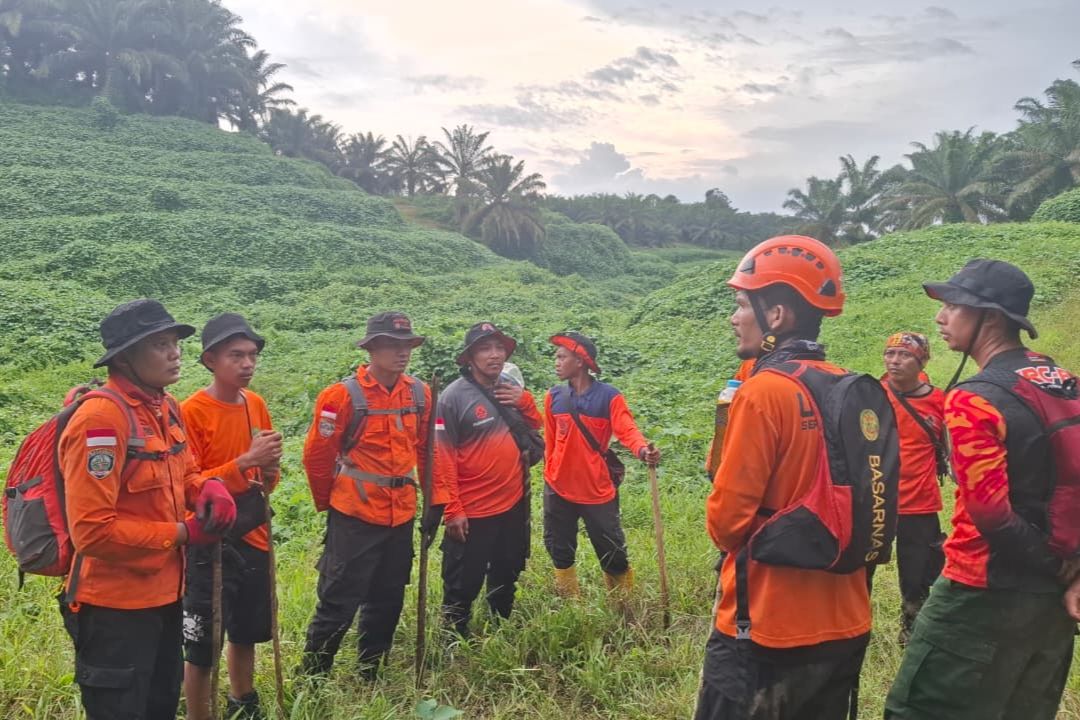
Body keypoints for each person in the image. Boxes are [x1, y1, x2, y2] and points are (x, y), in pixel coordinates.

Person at [886, 259, 1080, 720]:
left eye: (953, 306)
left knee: (916, 709)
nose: (940, 317)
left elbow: (989, 513)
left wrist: (1059, 568)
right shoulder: (1065, 383)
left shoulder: (975, 398)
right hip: (1053, 604)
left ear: (989, 317)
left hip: (980, 591)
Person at [695, 236, 870, 720]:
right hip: (847, 621)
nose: (734, 317)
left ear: (776, 316)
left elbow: (727, 526)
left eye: (740, 304)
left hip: (766, 628)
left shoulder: (763, 392)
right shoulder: (848, 383)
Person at [57, 299, 237, 720]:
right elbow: (92, 531)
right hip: (114, 609)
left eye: (174, 342)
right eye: (160, 344)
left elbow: (184, 473)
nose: (175, 353)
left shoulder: (165, 407)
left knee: (159, 706)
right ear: (125, 357)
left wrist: (208, 487)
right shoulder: (101, 421)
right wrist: (185, 534)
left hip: (165, 594)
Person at [299, 311, 433, 680]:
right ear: (372, 348)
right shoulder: (340, 396)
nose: (401, 352)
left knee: (388, 596)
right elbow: (317, 456)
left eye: (406, 345)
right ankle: (313, 676)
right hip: (354, 516)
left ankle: (370, 671)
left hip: (401, 514)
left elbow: (425, 451)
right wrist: (330, 505)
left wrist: (434, 501)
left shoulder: (420, 393)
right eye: (392, 344)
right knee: (338, 600)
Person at [180, 313, 282, 720]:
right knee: (203, 640)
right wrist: (244, 463)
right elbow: (189, 486)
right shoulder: (192, 412)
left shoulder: (255, 404)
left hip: (254, 533)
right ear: (210, 360)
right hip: (211, 541)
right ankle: (199, 713)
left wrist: (268, 469)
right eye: (236, 355)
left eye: (252, 355)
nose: (247, 364)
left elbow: (267, 475)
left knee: (248, 630)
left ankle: (244, 702)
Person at [431, 322, 542, 636]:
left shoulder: (509, 389)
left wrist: (523, 400)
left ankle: (501, 626)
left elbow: (536, 424)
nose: (494, 355)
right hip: (473, 510)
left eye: (499, 348)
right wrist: (452, 509)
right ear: (469, 357)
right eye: (485, 348)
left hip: (513, 503)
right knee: (463, 580)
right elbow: (442, 457)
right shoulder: (451, 399)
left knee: (507, 570)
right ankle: (454, 637)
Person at [542, 331, 660, 598]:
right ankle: (569, 601)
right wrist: (550, 474)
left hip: (596, 489)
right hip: (557, 487)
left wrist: (643, 450)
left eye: (562, 356)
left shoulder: (609, 397)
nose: (556, 362)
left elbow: (627, 429)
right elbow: (550, 442)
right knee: (559, 548)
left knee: (612, 550)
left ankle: (623, 604)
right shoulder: (554, 396)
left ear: (580, 361)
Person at [879, 332, 946, 644]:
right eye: (890, 354)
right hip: (877, 499)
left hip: (919, 502)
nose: (894, 361)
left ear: (922, 361)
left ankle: (912, 631)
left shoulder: (940, 401)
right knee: (858, 568)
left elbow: (952, 450)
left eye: (904, 355)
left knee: (918, 576)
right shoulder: (873, 395)